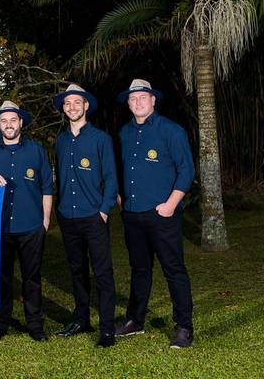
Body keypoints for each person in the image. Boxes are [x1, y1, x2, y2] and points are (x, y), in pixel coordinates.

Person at [114, 79, 195, 349]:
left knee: (174, 270)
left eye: (142, 97)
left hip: (162, 214)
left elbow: (186, 170)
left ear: (153, 100)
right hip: (133, 214)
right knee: (139, 270)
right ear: (128, 103)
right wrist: (121, 195)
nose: (137, 102)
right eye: (133, 99)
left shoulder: (171, 131)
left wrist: (171, 204)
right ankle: (135, 321)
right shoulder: (125, 132)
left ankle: (184, 327)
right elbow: (125, 167)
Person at [0, 101, 53, 343]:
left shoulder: (37, 151)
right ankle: (0, 324)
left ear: (21, 122)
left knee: (32, 278)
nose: (9, 125)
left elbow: (47, 187)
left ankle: (35, 324)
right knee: (2, 278)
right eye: (4, 121)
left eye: (13, 120)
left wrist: (45, 221)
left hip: (31, 225)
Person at [52, 84, 118, 348]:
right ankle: (81, 320)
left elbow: (110, 178)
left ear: (86, 105)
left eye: (76, 102)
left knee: (102, 273)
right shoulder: (61, 141)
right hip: (68, 216)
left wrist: (104, 210)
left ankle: (107, 329)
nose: (72, 107)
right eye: (67, 103)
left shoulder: (101, 139)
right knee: (77, 271)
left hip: (93, 216)